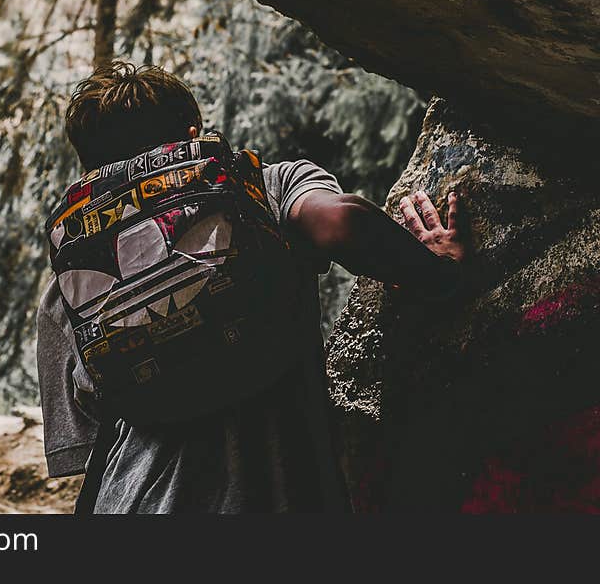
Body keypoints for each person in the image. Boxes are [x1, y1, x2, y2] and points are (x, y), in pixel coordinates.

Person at [36, 61, 467, 513]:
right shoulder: (262, 189)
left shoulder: (70, 283)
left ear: (91, 170)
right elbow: (343, 221)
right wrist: (440, 271)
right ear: (192, 135)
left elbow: (86, 450)